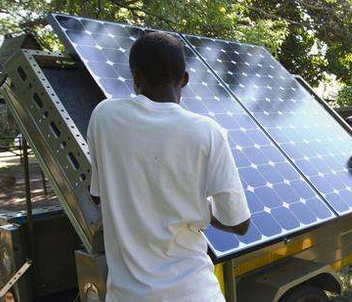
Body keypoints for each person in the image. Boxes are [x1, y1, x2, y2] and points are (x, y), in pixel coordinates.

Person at [87, 32, 251, 302]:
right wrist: (200, 207)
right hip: (194, 293)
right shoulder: (208, 132)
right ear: (184, 79)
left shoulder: (104, 117)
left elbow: (98, 193)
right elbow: (240, 224)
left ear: (136, 77)